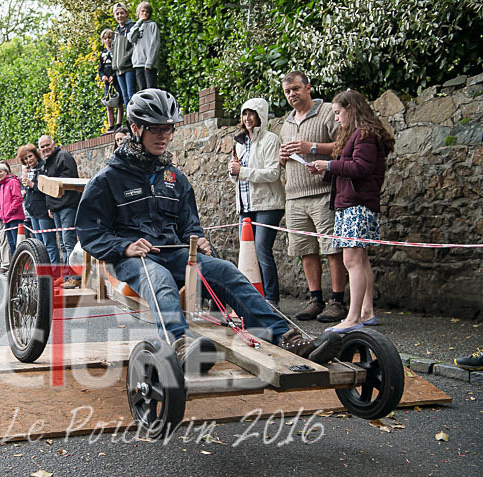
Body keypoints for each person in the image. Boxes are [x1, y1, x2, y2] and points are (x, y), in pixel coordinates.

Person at [76, 88, 341, 363]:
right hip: (132, 259)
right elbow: (90, 232)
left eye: (168, 129)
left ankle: (287, 338)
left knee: (226, 271)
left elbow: (189, 223)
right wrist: (124, 246)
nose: (164, 136)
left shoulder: (174, 177)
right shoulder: (107, 180)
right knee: (161, 281)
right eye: (156, 129)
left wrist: (197, 238)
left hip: (174, 252)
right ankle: (179, 346)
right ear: (135, 128)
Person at [310, 89, 395, 333]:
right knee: (361, 259)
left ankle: (353, 317)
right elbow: (351, 168)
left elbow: (361, 167)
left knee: (352, 260)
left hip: (357, 205)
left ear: (352, 109)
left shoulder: (365, 136)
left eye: (338, 112)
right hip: (355, 203)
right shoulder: (360, 135)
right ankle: (366, 312)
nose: (336, 118)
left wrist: (329, 164)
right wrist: (327, 171)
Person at [278, 71, 348, 323]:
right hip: (295, 196)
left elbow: (344, 145)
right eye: (287, 91)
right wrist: (282, 158)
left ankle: (338, 301)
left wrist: (313, 148)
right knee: (305, 250)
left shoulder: (328, 111)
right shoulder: (286, 123)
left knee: (332, 249)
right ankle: (315, 299)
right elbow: (282, 160)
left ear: (309, 88)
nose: (291, 94)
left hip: (323, 192)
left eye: (296, 89)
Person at [228, 97, 285, 307]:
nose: (247, 118)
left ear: (260, 115)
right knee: (247, 254)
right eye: (244, 113)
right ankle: (253, 298)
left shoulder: (271, 139)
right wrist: (233, 171)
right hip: (245, 205)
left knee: (262, 249)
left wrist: (241, 171)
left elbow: (273, 173)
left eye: (251, 113)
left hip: (268, 204)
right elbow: (235, 173)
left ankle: (272, 299)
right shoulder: (240, 142)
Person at [39, 134, 82, 288]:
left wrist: (56, 203)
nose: (45, 149)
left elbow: (69, 181)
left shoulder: (63, 156)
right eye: (42, 147)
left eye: (47, 145)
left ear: (53, 144)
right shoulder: (47, 162)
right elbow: (48, 188)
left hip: (67, 206)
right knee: (63, 244)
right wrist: (50, 207)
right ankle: (66, 276)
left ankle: (75, 277)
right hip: (56, 208)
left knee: (69, 243)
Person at [17, 143, 61, 268]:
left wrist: (32, 185)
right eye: (25, 159)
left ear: (36, 155)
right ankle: (43, 271)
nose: (28, 160)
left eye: (30, 156)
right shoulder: (29, 171)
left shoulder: (44, 168)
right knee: (38, 245)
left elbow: (47, 188)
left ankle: (55, 271)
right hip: (33, 212)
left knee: (49, 243)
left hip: (43, 211)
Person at [0, 163, 26, 256]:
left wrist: (10, 211)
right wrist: (1, 213)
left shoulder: (12, 181)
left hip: (15, 217)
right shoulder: (2, 185)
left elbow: (18, 198)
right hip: (6, 218)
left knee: (17, 243)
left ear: (6, 171)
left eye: (0, 171)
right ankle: (14, 266)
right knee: (11, 244)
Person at [128, 2, 160, 90]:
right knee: (142, 90)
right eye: (142, 11)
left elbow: (155, 44)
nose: (144, 13)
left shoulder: (152, 25)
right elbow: (131, 38)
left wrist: (149, 62)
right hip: (138, 63)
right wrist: (139, 23)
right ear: (138, 13)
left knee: (151, 89)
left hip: (149, 64)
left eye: (147, 12)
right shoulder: (136, 26)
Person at [98, 29, 124, 131]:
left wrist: (114, 75)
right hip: (107, 82)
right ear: (103, 40)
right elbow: (100, 69)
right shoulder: (102, 54)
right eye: (105, 38)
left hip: (116, 80)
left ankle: (118, 123)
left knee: (119, 102)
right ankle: (111, 125)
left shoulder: (116, 51)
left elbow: (118, 65)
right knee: (108, 103)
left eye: (109, 38)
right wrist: (103, 76)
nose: (108, 40)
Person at [112, 3, 136, 106]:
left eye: (122, 13)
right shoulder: (116, 31)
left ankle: (136, 119)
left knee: (131, 94)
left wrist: (127, 56)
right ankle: (130, 119)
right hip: (118, 69)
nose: (119, 16)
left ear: (126, 14)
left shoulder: (131, 27)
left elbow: (135, 45)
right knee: (125, 96)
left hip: (128, 66)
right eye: (117, 14)